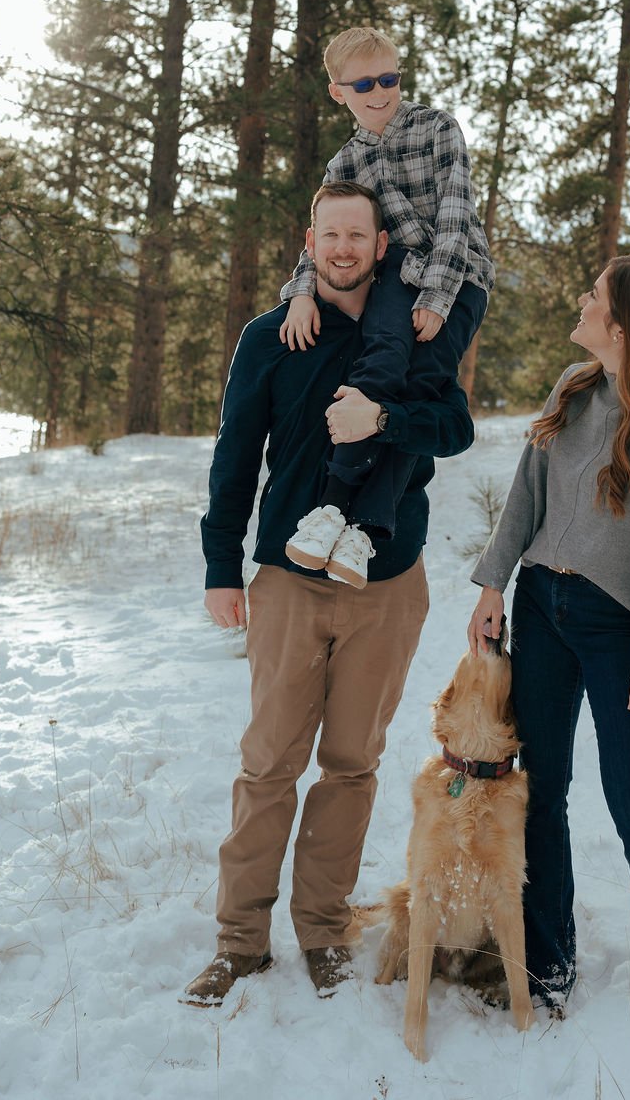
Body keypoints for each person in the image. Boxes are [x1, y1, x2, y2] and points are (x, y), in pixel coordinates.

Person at [184, 182, 475, 1007]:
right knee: (269, 762)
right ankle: (240, 941)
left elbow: (455, 428)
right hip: (287, 578)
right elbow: (235, 452)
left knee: (352, 765)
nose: (344, 247)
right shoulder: (272, 336)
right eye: (330, 234)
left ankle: (324, 930)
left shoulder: (418, 328)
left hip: (386, 584)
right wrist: (220, 565)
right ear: (308, 244)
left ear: (381, 244)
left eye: (359, 234)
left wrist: (386, 421)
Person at [466, 254, 630, 1015]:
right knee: (539, 788)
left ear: (626, 323)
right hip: (540, 606)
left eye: (595, 295)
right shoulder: (571, 390)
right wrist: (492, 582)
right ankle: (547, 959)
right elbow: (524, 496)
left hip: (619, 628)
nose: (582, 300)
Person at [279, 25, 494, 591]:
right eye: (364, 83)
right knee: (379, 365)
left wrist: (439, 299)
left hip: (459, 274)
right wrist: (301, 292)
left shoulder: (438, 128)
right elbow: (326, 234)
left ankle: (366, 528)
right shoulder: (343, 165)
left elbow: (456, 217)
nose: (380, 92)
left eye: (390, 78)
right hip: (395, 272)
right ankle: (329, 510)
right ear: (338, 92)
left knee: (421, 382)